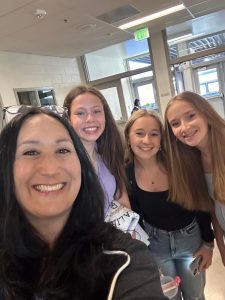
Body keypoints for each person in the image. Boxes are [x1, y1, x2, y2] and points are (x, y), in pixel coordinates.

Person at [0, 107, 168, 300]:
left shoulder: (124, 259)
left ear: (81, 167)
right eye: (30, 152)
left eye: (63, 150)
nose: (50, 168)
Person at [124, 109, 214, 300]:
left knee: (195, 296)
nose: (147, 140)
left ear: (162, 139)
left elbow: (200, 203)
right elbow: (136, 219)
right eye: (139, 133)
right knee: (168, 296)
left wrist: (208, 243)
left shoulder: (177, 164)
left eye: (154, 134)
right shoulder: (126, 174)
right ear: (128, 138)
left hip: (190, 240)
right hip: (155, 245)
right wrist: (145, 256)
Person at [164, 91, 225, 266]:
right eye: (175, 123)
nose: (184, 127)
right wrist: (220, 246)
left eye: (190, 116)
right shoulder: (193, 162)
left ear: (206, 113)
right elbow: (213, 208)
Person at [64, 85, 130, 215]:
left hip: (116, 233)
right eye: (80, 113)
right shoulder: (63, 163)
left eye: (96, 111)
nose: (90, 119)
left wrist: (129, 231)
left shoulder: (107, 152)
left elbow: (121, 196)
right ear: (69, 119)